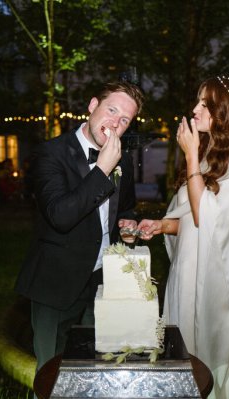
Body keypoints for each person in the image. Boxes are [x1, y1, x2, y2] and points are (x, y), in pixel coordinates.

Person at [138, 76, 229, 399]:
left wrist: (190, 155)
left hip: (217, 283)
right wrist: (162, 226)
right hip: (186, 273)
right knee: (182, 350)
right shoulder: (208, 157)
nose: (195, 110)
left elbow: (207, 217)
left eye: (204, 104)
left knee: (213, 357)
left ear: (224, 113)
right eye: (196, 101)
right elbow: (192, 222)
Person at [14, 81, 145, 373]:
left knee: (95, 369)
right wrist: (102, 170)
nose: (115, 122)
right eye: (111, 110)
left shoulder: (120, 157)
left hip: (102, 280)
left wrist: (128, 223)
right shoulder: (51, 153)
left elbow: (125, 207)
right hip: (56, 282)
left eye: (124, 119)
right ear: (92, 105)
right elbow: (60, 215)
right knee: (52, 373)